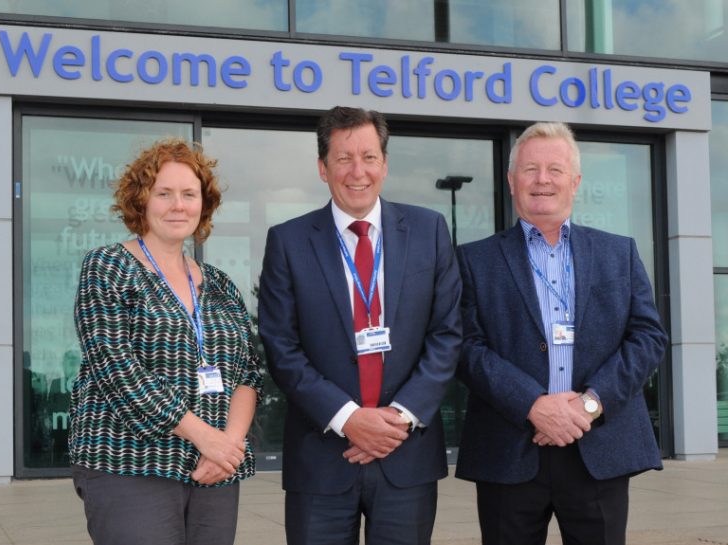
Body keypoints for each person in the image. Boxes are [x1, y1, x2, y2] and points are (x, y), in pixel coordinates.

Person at [455, 122, 669, 545]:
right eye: (530, 169)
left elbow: (647, 338)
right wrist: (532, 405)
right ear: (512, 180)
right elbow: (464, 346)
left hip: (599, 448)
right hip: (509, 450)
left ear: (575, 181)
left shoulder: (618, 252)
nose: (542, 180)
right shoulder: (473, 260)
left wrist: (589, 405)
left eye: (555, 169)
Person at [258, 106, 462, 545]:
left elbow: (447, 334)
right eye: (344, 158)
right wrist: (349, 418)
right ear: (322, 168)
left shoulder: (429, 230)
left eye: (369, 157)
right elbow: (280, 347)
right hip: (321, 458)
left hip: (406, 455)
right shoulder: (289, 241)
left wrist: (398, 418)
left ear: (385, 164)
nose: (358, 171)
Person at [69, 139, 263, 545]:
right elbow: (115, 368)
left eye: (189, 194)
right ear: (141, 201)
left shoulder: (221, 284)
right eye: (164, 194)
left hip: (215, 471)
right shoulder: (107, 267)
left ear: (203, 204)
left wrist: (227, 445)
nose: (178, 205)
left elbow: (248, 373)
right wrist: (205, 437)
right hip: (129, 464)